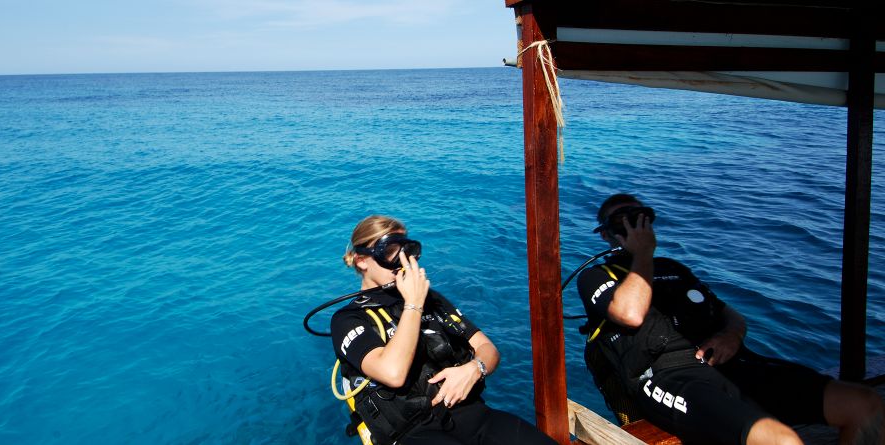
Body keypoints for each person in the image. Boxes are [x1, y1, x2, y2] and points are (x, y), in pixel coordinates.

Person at [576, 193, 884, 445]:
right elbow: (630, 314)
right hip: (671, 379)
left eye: (639, 215)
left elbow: (728, 312)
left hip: (734, 366)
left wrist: (732, 336)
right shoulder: (598, 276)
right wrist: (643, 253)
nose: (632, 225)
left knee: (865, 405)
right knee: (782, 441)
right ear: (605, 234)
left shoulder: (674, 268)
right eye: (621, 220)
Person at [331, 215, 557, 445]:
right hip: (412, 433)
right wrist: (413, 304)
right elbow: (393, 374)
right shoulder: (348, 320)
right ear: (361, 261)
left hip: (471, 415)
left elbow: (487, 348)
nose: (401, 260)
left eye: (407, 250)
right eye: (389, 251)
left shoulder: (431, 299)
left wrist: (475, 368)